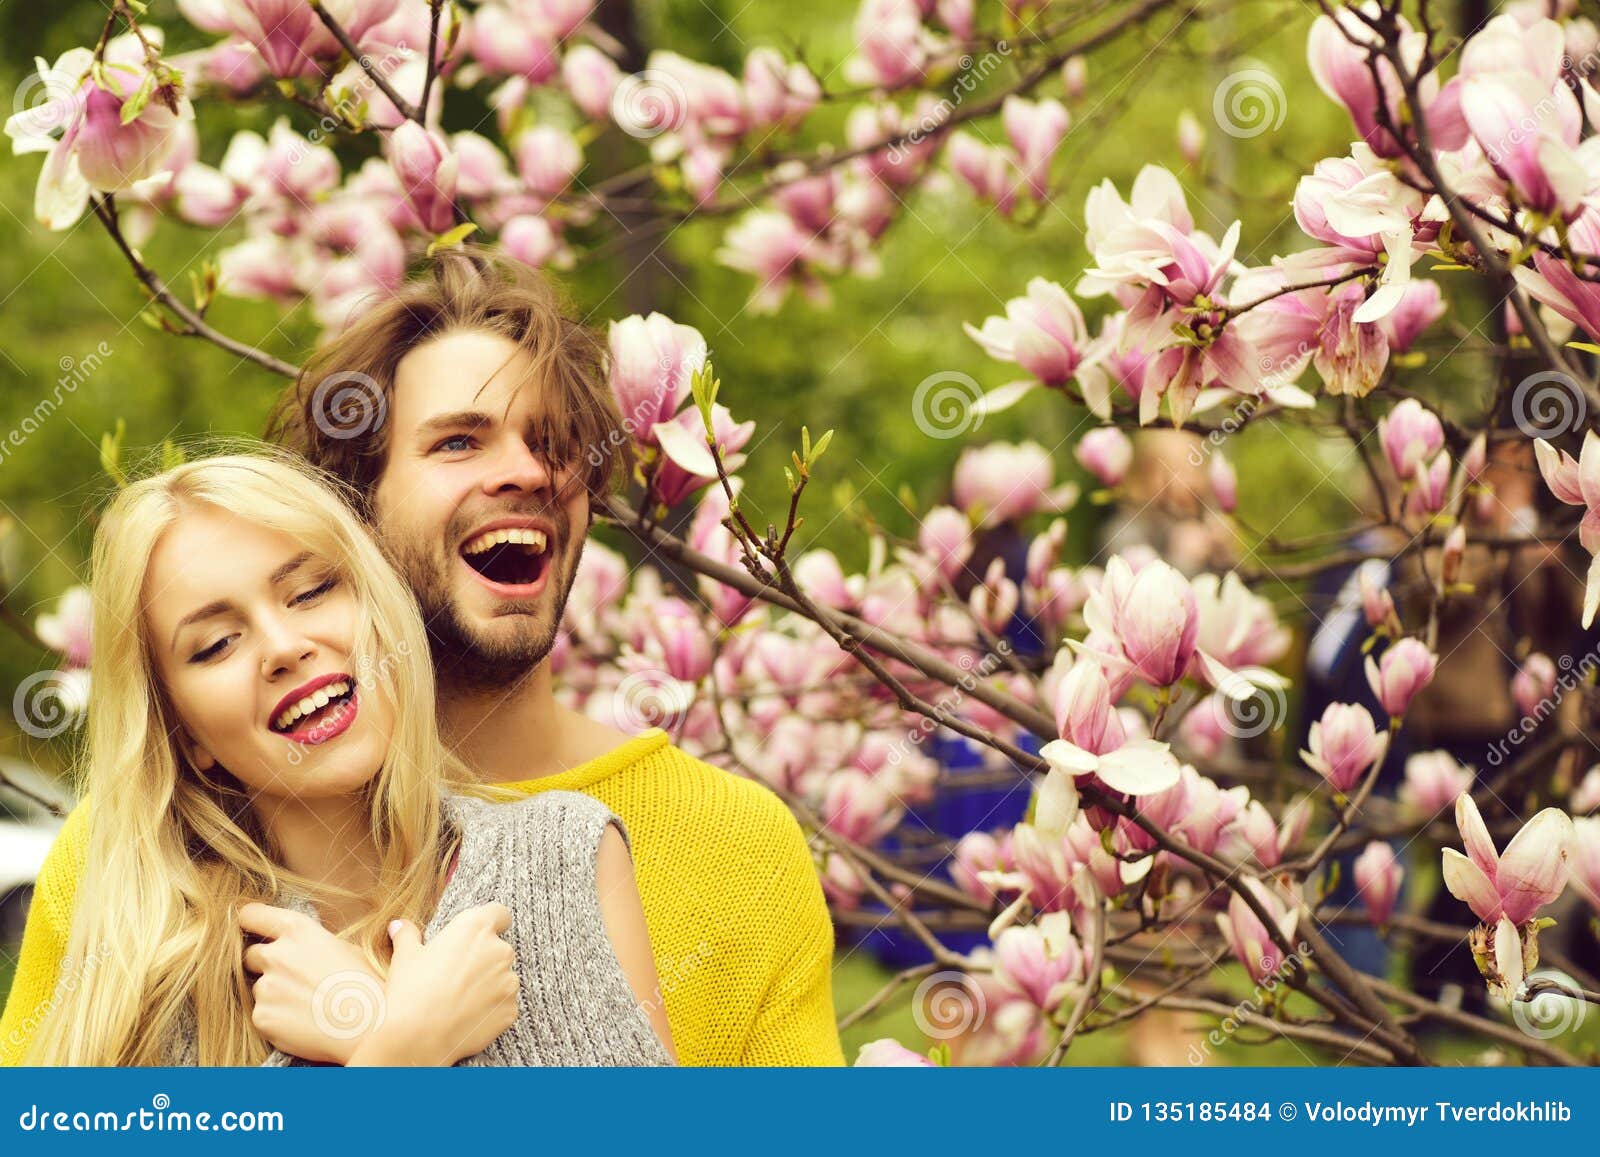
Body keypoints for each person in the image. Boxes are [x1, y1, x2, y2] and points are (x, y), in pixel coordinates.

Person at [4, 249, 842, 1066]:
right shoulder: (136, 868)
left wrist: (376, 1036)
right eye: (457, 443)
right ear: (353, 517)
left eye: (553, 442)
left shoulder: (735, 849)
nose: (528, 471)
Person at [7, 454, 674, 1066]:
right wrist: (399, 1055)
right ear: (187, 735)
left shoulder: (565, 855)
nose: (283, 645)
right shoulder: (155, 973)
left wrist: (377, 1034)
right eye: (215, 644)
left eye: (311, 591)